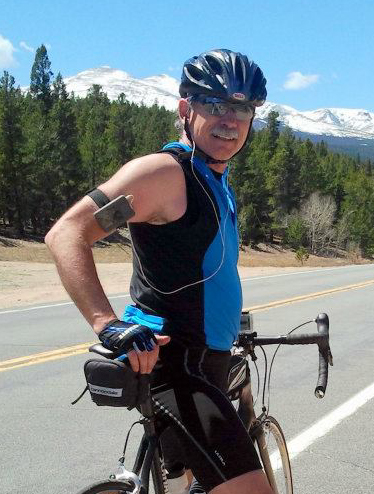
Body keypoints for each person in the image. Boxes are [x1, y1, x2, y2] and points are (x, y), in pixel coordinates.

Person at [45, 49, 274, 494]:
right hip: (179, 365)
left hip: (207, 359)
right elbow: (67, 233)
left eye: (242, 109)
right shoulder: (164, 175)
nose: (229, 120)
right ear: (186, 109)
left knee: (192, 483)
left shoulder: (215, 180)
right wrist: (105, 324)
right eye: (215, 105)